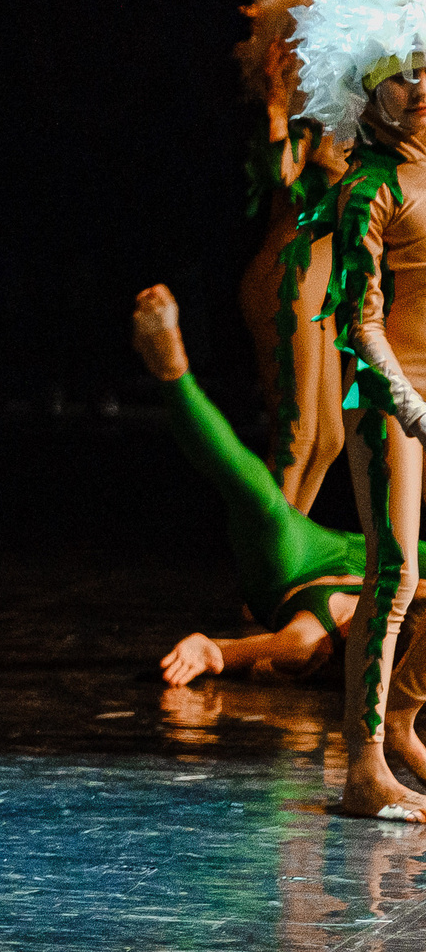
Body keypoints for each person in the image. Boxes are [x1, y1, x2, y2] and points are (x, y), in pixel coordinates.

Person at [285, 0, 426, 818]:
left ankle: (407, 715)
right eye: (405, 75)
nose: (420, 87)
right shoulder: (368, 185)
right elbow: (357, 316)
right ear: (371, 91)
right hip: (390, 395)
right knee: (398, 569)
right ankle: (362, 762)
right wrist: (409, 403)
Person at [132, 285, 364, 686]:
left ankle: (174, 375)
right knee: (326, 439)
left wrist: (210, 650)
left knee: (263, 504)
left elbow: (220, 651)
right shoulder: (410, 602)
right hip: (371, 557)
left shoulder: (307, 638)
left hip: (294, 568)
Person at [237, 0, 348, 508]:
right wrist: (276, 105)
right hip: (290, 277)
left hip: (317, 288)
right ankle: (262, 578)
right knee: (298, 431)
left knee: (328, 438)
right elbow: (280, 174)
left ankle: (280, 556)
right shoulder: (305, 123)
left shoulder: (346, 120)